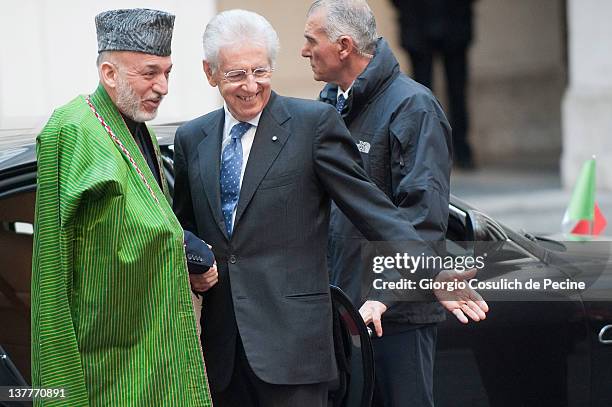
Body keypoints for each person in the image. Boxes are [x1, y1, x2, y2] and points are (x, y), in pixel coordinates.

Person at [174, 9, 486, 407]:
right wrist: (193, 262)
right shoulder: (191, 138)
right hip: (223, 355)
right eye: (237, 74)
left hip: (295, 352)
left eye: (261, 71)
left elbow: (374, 210)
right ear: (210, 72)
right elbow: (182, 227)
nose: (251, 86)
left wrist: (433, 271)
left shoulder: (312, 124)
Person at [301, 1, 483, 406]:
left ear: (344, 46)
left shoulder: (413, 107)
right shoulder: (328, 105)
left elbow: (422, 222)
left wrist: (383, 295)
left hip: (397, 318)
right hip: (346, 313)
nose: (303, 51)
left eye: (311, 41)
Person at [32, 8, 212, 406]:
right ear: (109, 74)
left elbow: (150, 225)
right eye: (149, 73)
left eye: (168, 72)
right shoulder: (72, 128)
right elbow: (51, 271)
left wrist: (187, 251)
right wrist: (59, 392)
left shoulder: (138, 126)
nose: (163, 86)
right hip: (108, 368)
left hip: (154, 356)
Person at [391, 0, 477, 169]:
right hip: (417, 22)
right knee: (420, 96)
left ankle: (461, 149)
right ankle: (424, 150)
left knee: (457, 92)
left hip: (454, 21)